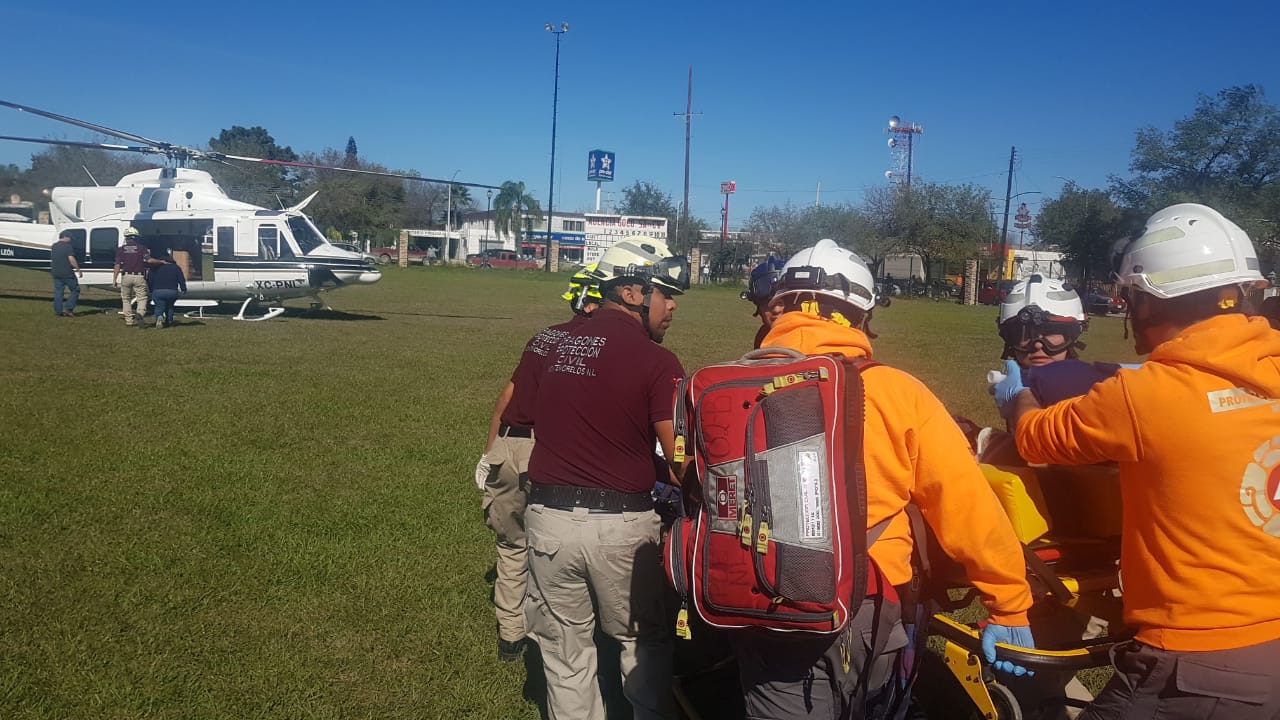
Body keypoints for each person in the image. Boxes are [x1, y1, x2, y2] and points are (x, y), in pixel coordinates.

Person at [995, 203, 1280, 719]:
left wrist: (1018, 395)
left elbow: (1036, 439)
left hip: (1195, 658)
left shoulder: (1143, 396)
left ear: (1147, 302)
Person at [741, 239, 1034, 719]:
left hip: (752, 595)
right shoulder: (897, 392)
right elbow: (966, 506)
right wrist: (1009, 604)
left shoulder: (726, 383)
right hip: (867, 600)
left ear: (776, 309)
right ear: (860, 316)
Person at [524, 237, 690, 720]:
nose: (672, 306)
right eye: (665, 293)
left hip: (548, 520)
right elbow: (679, 459)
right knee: (642, 642)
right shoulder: (657, 360)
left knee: (564, 649)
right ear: (634, 294)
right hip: (620, 527)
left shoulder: (557, 343)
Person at [476, 266, 602, 662]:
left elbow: (508, 395)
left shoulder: (543, 336)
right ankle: (555, 637)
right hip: (548, 451)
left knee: (512, 545)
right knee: (556, 551)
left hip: (508, 447)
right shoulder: (593, 347)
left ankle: (510, 634)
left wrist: (488, 451)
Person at [741, 256, 787, 348]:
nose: (776, 310)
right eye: (768, 303)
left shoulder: (815, 339)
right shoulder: (763, 336)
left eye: (782, 303)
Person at [112, 226, 153, 327]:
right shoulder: (142, 248)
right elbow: (149, 260)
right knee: (142, 298)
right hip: (139, 276)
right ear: (136, 237)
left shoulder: (120, 250)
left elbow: (117, 265)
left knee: (126, 299)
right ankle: (140, 313)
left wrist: (114, 279)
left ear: (126, 237)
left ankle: (129, 321)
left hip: (126, 276)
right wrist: (161, 262)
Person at [147, 252, 187, 328]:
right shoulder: (176, 267)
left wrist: (151, 289)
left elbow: (150, 280)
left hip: (158, 291)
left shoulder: (155, 268)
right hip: (172, 291)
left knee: (159, 306)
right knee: (170, 306)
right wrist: (183, 288)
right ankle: (169, 321)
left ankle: (159, 316)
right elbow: (181, 279)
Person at [50, 229, 82, 317]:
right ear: (65, 237)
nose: (71, 240)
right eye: (70, 238)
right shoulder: (68, 247)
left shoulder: (54, 246)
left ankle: (58, 312)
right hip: (67, 273)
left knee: (58, 292)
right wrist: (78, 269)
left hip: (56, 272)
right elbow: (71, 259)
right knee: (75, 290)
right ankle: (68, 309)